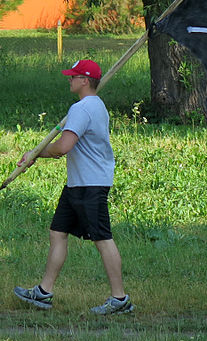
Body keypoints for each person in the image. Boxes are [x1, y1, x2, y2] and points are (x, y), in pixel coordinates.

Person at [14, 59, 133, 315]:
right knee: (58, 233)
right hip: (78, 184)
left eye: (73, 76)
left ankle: (119, 298)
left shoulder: (83, 109)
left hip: (90, 184)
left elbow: (63, 147)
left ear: (85, 81)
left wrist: (37, 154)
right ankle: (44, 292)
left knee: (102, 239)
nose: (69, 79)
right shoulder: (95, 106)